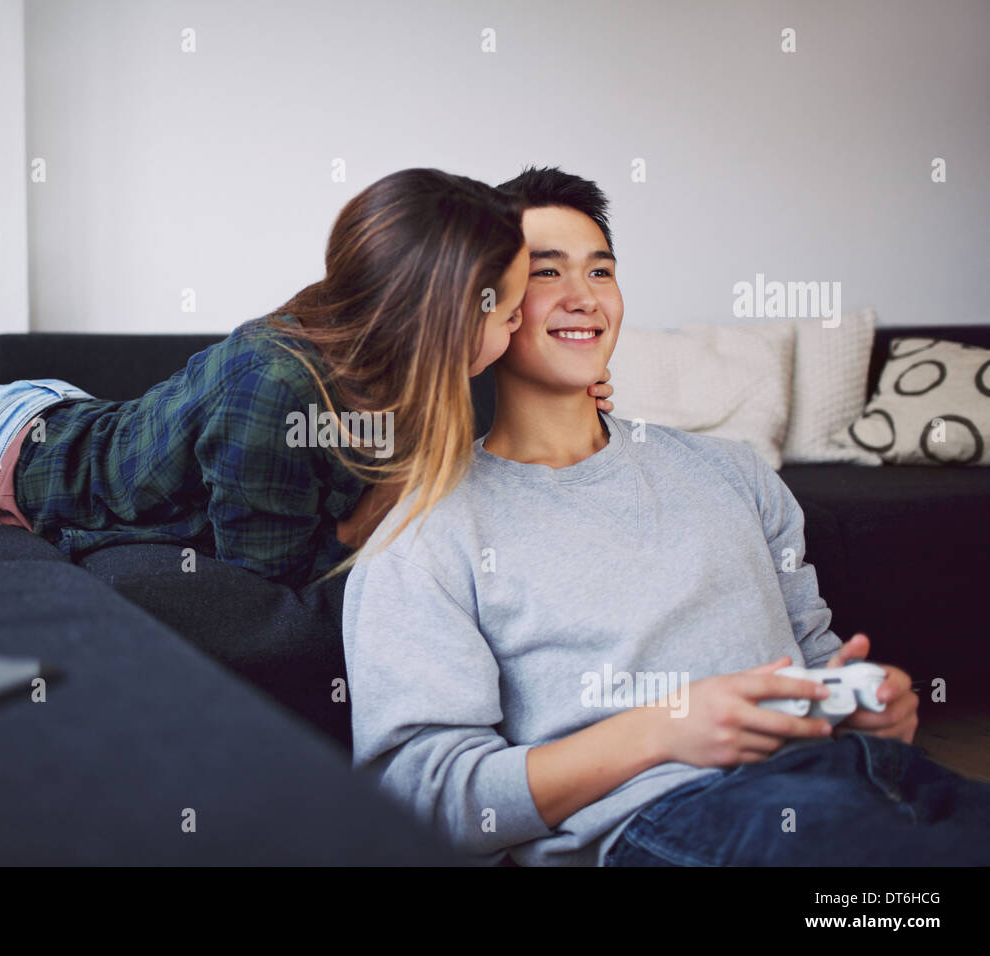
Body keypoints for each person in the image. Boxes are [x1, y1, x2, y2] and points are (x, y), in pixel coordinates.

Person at [341, 164, 990, 865]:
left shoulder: (734, 472)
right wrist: (663, 731)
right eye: (546, 273)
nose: (584, 298)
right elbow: (422, 797)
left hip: (866, 782)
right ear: (482, 304)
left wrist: (867, 707)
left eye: (601, 271)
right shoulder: (426, 534)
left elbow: (814, 655)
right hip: (669, 820)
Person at [0, 108, 617, 590]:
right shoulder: (278, 389)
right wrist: (384, 506)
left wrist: (571, 405)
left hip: (36, 422)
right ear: (439, 311)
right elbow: (270, 582)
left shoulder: (428, 372)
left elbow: (507, 466)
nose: (520, 321)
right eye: (507, 299)